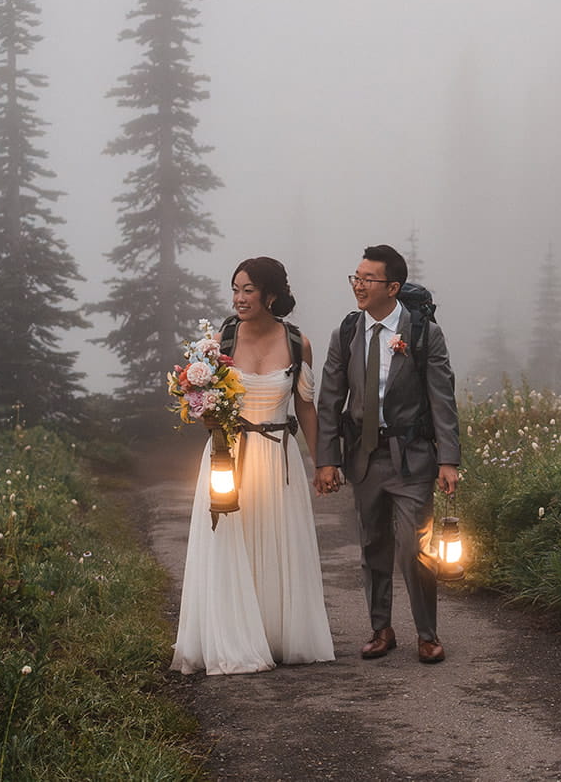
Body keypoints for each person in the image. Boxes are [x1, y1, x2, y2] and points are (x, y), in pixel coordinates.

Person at [171, 257, 336, 675]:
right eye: (235, 289)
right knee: (230, 542)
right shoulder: (221, 341)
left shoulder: (298, 343)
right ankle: (232, 637)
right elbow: (200, 399)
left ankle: (275, 634)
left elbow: (307, 407)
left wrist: (322, 465)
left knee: (277, 540)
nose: (239, 298)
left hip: (278, 455)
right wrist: (203, 409)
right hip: (229, 456)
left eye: (248, 290)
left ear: (271, 295)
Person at [315, 244, 460, 663]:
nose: (358, 286)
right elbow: (330, 400)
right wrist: (326, 460)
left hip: (411, 457)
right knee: (372, 545)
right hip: (363, 457)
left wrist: (448, 459)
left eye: (368, 279)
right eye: (355, 278)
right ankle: (381, 630)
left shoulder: (421, 333)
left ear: (392, 287)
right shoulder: (346, 333)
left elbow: (442, 398)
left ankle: (428, 634)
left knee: (415, 548)